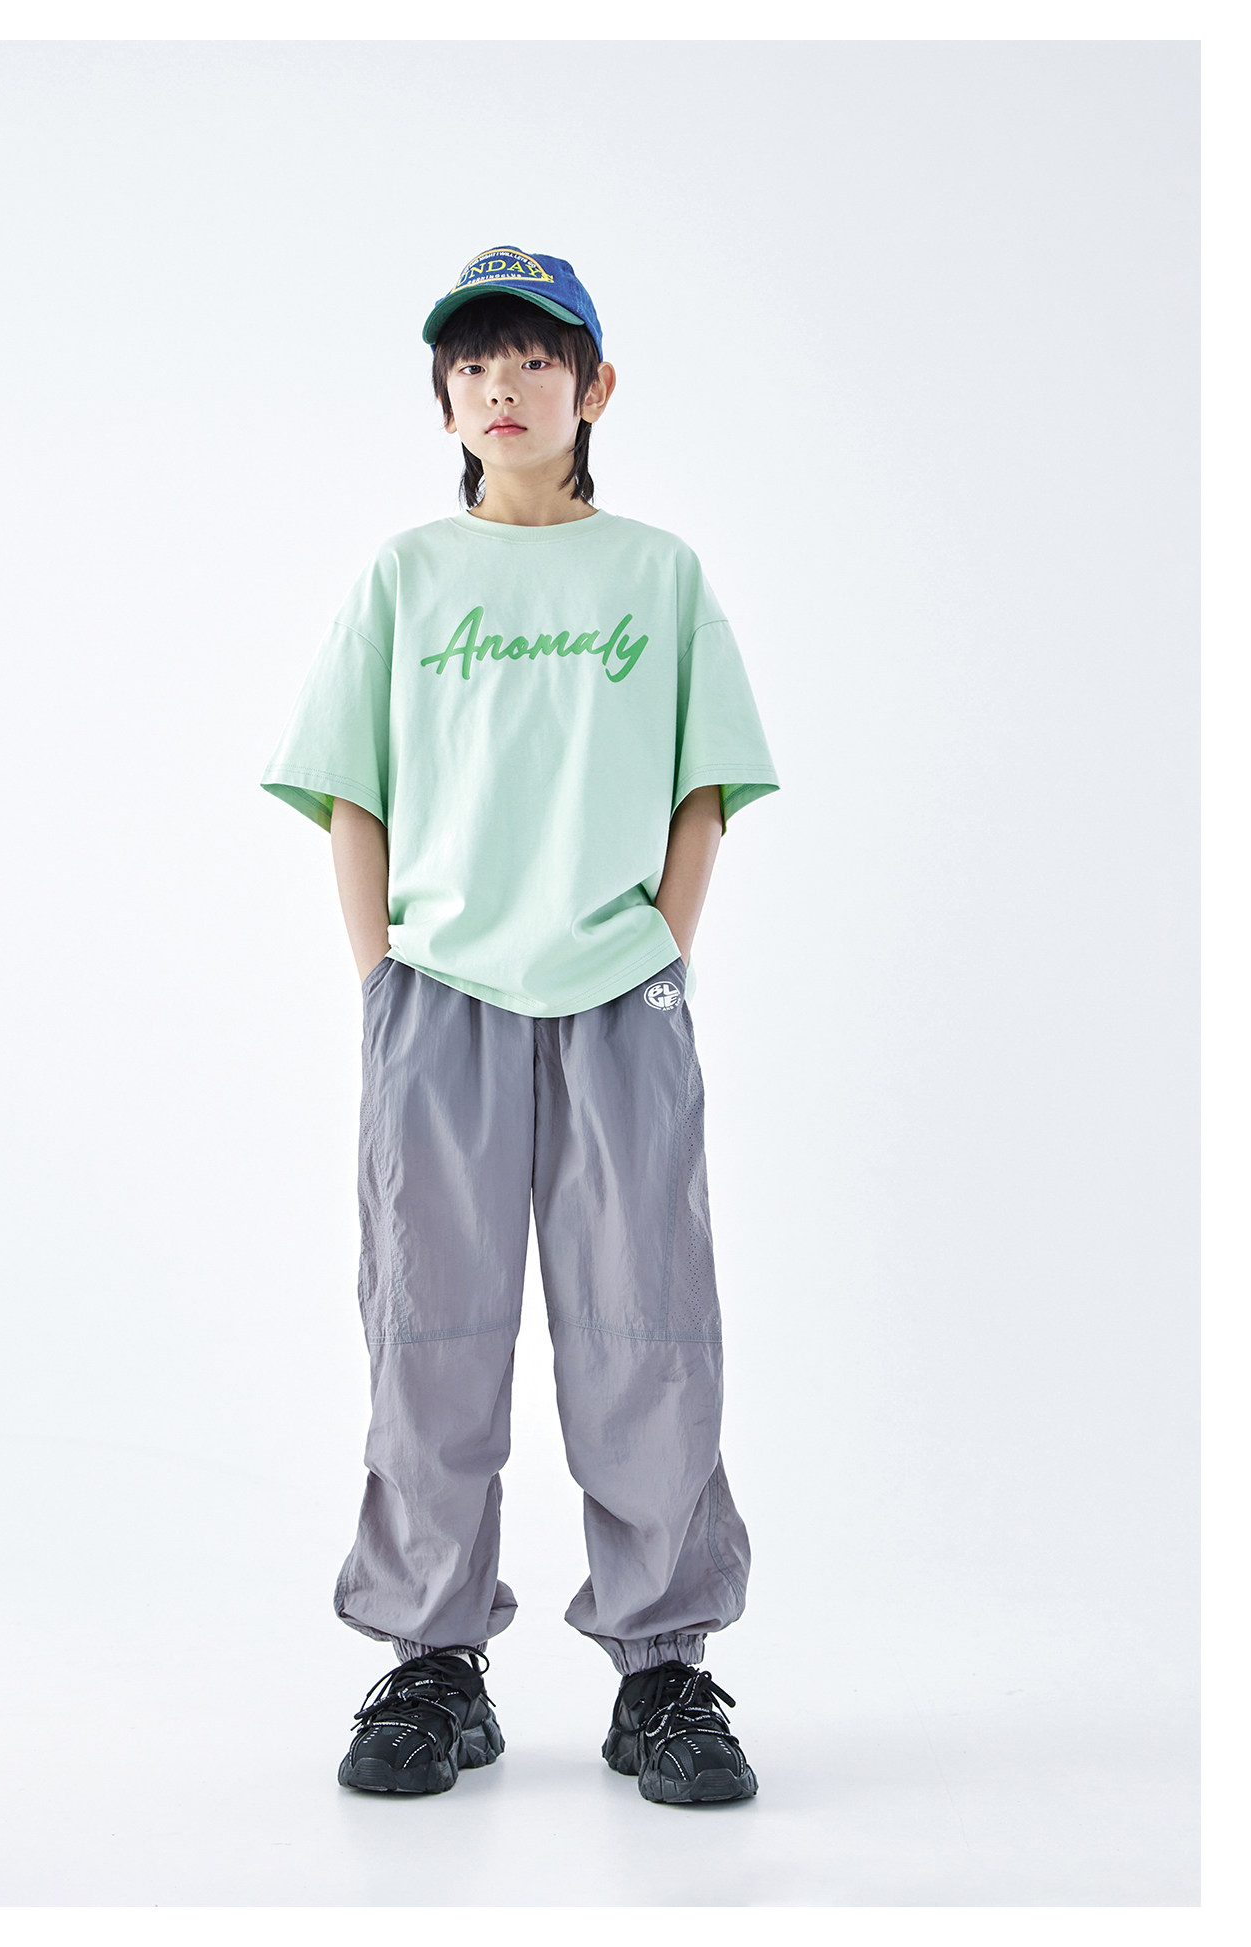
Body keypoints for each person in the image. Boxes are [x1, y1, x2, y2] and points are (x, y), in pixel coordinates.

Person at [260, 244, 780, 1807]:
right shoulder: (407, 577)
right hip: (442, 1000)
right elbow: (351, 790)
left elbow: (705, 787)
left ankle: (664, 1671)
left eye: (536, 358)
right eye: (474, 363)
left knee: (647, 1330)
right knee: (432, 1333)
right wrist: (383, 975)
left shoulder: (658, 577)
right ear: (444, 402)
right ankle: (432, 1662)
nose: (503, 384)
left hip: (622, 998)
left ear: (594, 387)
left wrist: (659, 949)